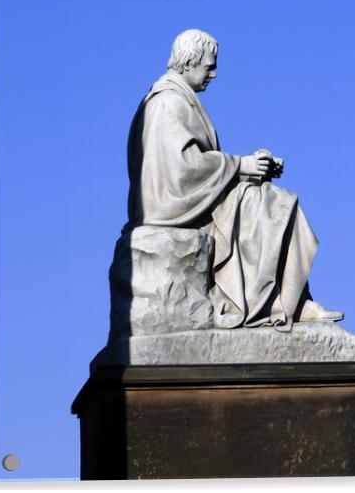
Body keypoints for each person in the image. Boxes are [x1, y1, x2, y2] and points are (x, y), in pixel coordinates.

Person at [124, 29, 343, 331]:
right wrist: (241, 165)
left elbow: (197, 165)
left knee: (265, 198)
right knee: (270, 204)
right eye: (209, 66)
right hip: (174, 207)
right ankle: (280, 302)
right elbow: (181, 169)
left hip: (191, 199)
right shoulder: (167, 103)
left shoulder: (179, 99)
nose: (213, 74)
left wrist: (252, 167)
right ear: (188, 62)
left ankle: (290, 297)